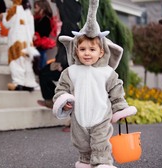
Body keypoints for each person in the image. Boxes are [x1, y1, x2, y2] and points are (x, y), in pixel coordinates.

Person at [52, 0, 137, 167]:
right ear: (76, 50)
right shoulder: (71, 72)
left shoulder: (107, 72)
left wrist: (120, 108)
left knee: (101, 145)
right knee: (83, 145)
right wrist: (64, 100)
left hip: (101, 117)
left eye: (92, 50)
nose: (87, 53)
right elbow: (61, 89)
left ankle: (103, 164)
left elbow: (116, 91)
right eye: (82, 49)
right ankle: (85, 161)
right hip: (79, 118)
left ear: (101, 52)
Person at [37, 0, 82, 108]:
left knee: (43, 74)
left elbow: (66, 47)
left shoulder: (68, 27)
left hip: (65, 65)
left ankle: (53, 100)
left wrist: (59, 63)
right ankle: (55, 100)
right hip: (69, 64)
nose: (57, 12)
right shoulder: (74, 26)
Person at [2, 0, 40, 91]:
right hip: (27, 41)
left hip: (16, 39)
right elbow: (32, 30)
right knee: (27, 61)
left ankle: (18, 81)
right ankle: (29, 82)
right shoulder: (28, 12)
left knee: (16, 60)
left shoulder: (14, 9)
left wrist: (3, 16)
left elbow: (6, 23)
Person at [33, 0, 54, 70]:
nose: (34, 10)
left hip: (41, 44)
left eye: (36, 7)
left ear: (42, 8)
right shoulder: (37, 19)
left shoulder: (45, 19)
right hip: (37, 44)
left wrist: (36, 36)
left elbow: (45, 32)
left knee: (41, 64)